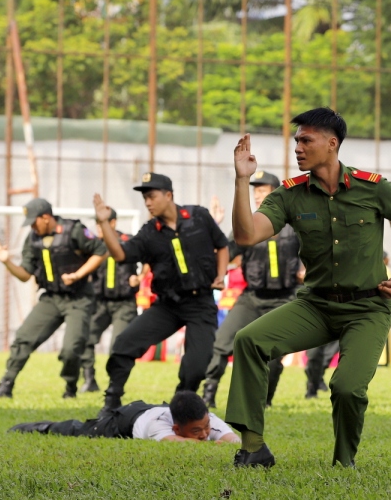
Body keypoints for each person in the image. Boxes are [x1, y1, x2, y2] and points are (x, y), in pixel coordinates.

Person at [226, 108, 391, 468]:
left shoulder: (374, 186)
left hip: (368, 308)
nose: (298, 148)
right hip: (315, 306)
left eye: (306, 140)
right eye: (296, 141)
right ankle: (254, 448)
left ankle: (344, 461)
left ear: (332, 144)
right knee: (249, 340)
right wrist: (242, 180)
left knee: (347, 388)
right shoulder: (290, 194)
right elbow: (245, 235)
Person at [93, 173, 230, 411]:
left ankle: (179, 408)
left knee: (197, 366)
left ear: (169, 195)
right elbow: (120, 255)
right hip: (168, 306)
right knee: (124, 343)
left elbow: (222, 245)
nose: (147, 202)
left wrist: (220, 274)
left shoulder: (198, 216)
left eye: (151, 196)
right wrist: (104, 223)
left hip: (201, 304)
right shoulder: (149, 232)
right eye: (145, 198)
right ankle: (111, 401)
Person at [0, 198, 108, 399]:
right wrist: (6, 261)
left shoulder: (73, 230)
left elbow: (101, 251)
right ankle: (6, 384)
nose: (33, 227)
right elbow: (25, 275)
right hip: (51, 298)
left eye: (34, 222)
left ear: (46, 217)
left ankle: (70, 387)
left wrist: (78, 275)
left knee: (72, 348)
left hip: (79, 298)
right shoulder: (33, 238)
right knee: (24, 338)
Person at [202, 170, 301, 409]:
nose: (257, 196)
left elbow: (319, 253)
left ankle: (264, 401)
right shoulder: (247, 226)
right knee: (222, 342)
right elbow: (222, 253)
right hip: (251, 298)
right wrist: (214, 225)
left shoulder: (296, 225)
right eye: (254, 191)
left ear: (276, 193)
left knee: (275, 354)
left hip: (285, 299)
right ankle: (208, 395)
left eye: (262, 190)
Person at [8, 390, 240, 443]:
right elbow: (175, 444)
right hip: (124, 421)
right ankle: (42, 427)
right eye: (196, 432)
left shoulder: (204, 418)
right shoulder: (158, 426)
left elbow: (235, 441)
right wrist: (212, 446)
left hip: (150, 408)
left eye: (206, 428)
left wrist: (222, 439)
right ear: (177, 428)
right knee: (82, 431)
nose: (205, 434)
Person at [79, 207, 140, 393]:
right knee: (85, 338)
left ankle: (114, 386)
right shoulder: (93, 245)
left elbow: (149, 260)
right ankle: (89, 380)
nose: (98, 227)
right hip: (100, 302)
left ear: (112, 222)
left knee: (118, 345)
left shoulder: (128, 241)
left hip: (124, 303)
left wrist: (139, 277)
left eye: (102, 222)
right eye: (96, 223)